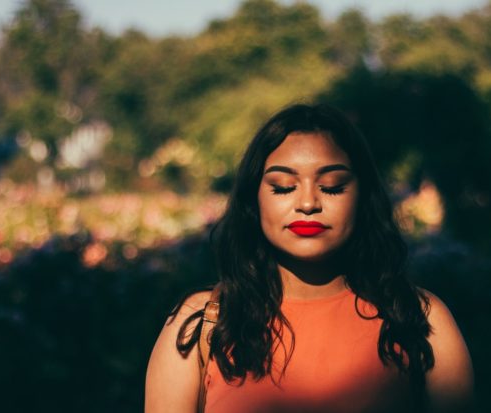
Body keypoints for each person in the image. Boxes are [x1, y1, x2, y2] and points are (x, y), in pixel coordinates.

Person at [145, 104, 472, 412]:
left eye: (331, 186)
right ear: (253, 199)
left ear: (363, 198)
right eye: (284, 187)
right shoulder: (202, 323)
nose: (307, 203)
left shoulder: (420, 318)